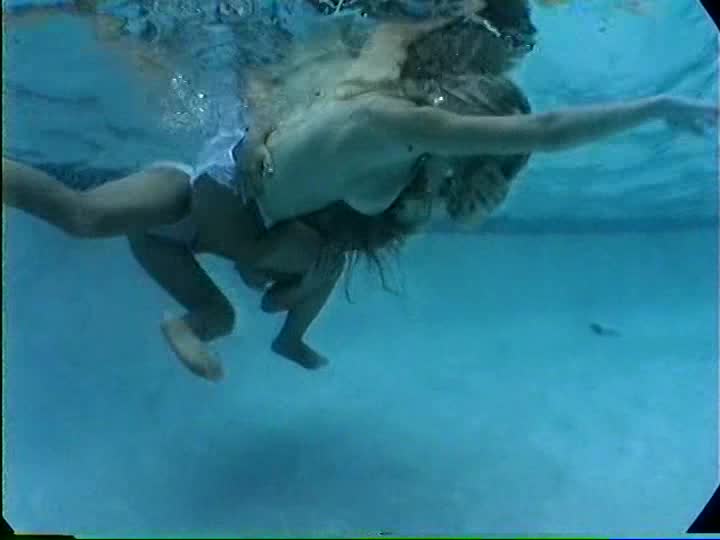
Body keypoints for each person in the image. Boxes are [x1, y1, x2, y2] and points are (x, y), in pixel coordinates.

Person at [4, 11, 716, 382]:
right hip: (205, 194)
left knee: (222, 309)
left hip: (219, 224)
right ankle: (283, 335)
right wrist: (656, 106)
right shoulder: (398, 123)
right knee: (82, 215)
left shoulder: (399, 150)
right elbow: (549, 131)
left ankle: (224, 332)